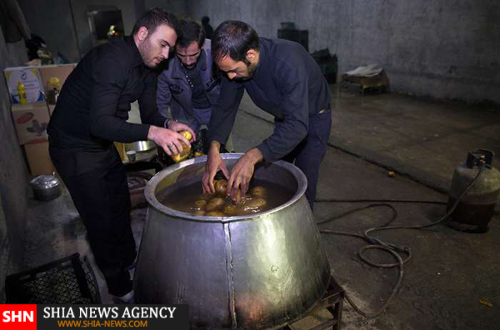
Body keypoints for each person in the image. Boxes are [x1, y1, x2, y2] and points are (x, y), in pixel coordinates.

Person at [47, 8, 195, 303]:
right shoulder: (111, 60)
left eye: (170, 47)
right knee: (99, 219)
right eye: (163, 44)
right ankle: (119, 287)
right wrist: (154, 133)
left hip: (101, 144)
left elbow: (150, 112)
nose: (166, 55)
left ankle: (128, 261)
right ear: (142, 34)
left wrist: (167, 123)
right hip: (73, 148)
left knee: (118, 202)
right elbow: (100, 122)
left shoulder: (150, 66)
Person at [202, 20, 332, 209]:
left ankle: (303, 230)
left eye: (233, 71)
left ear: (251, 55)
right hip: (285, 118)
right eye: (225, 71)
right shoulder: (235, 64)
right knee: (275, 180)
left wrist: (252, 155)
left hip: (312, 120)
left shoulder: (287, 62)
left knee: (303, 185)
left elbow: (297, 126)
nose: (230, 77)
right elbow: (224, 107)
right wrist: (213, 148)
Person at [157, 19, 230, 153]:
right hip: (184, 112)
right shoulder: (165, 66)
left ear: (202, 45)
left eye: (193, 55)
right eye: (181, 55)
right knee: (185, 151)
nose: (188, 61)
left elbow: (231, 89)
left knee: (220, 150)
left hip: (214, 108)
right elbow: (160, 104)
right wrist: (163, 128)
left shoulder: (217, 53)